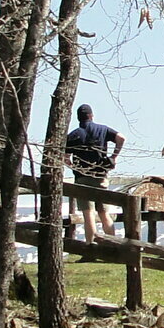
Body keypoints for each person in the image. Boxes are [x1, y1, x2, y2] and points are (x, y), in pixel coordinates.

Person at [65, 103, 126, 240]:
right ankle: (113, 246)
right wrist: (113, 157)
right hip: (100, 176)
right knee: (104, 213)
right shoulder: (102, 129)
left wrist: (73, 167)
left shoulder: (74, 134)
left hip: (82, 177)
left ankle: (91, 247)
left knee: (89, 214)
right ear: (91, 116)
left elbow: (65, 156)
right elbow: (121, 138)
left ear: (78, 118)